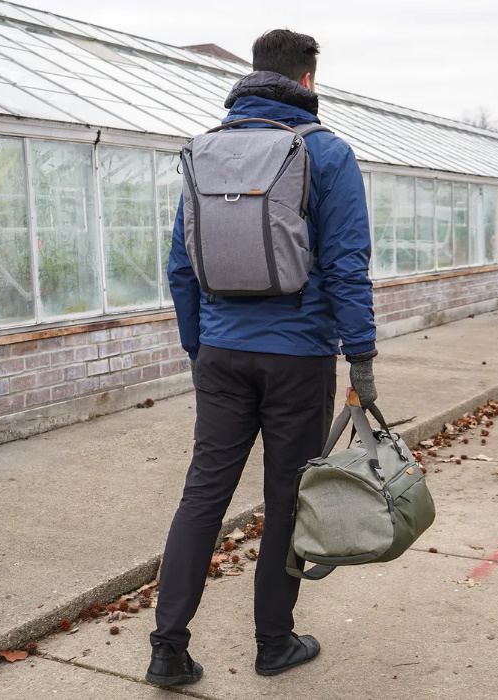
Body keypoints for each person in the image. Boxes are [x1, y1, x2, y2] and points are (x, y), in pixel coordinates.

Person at [146, 28, 378, 687]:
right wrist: (360, 358)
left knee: (202, 495)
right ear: (307, 81)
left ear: (253, 75)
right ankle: (274, 644)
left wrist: (200, 348)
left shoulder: (205, 153)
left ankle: (168, 649)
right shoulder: (327, 154)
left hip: (220, 351)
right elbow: (345, 268)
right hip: (299, 357)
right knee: (285, 499)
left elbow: (180, 267)